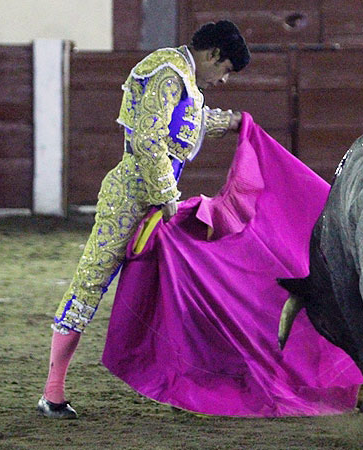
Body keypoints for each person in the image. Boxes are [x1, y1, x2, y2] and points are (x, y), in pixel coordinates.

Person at [37, 20, 251, 419]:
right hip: (129, 200)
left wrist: (236, 123)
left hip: (152, 204)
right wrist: (166, 195)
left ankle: (181, 381)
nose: (223, 80)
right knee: (90, 283)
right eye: (225, 70)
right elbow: (148, 139)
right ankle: (52, 392)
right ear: (213, 55)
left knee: (172, 286)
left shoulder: (184, 79)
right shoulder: (169, 73)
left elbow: (189, 123)